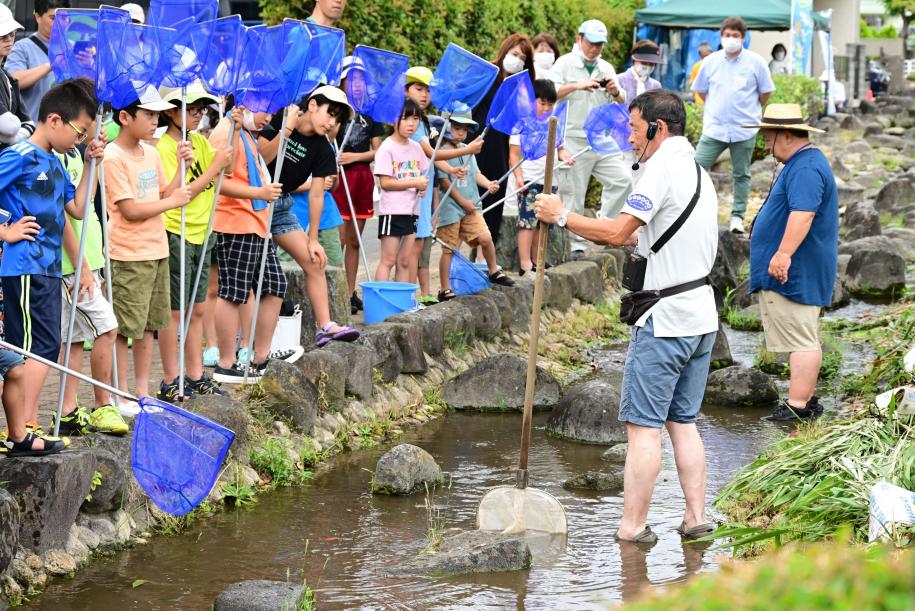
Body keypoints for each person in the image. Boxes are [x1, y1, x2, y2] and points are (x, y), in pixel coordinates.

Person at [535, 89, 719, 544]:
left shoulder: (660, 172)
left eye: (635, 129)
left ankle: (632, 528)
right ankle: (696, 519)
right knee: (684, 422)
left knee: (643, 431)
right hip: (701, 317)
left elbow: (619, 232)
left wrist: (562, 217)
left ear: (658, 127)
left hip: (664, 319)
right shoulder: (700, 172)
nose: (630, 139)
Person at [0, 80, 105, 445]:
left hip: (48, 268)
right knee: (29, 347)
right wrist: (5, 231)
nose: (79, 140)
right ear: (55, 120)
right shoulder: (19, 156)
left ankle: (24, 426)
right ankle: (20, 432)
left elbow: (76, 208)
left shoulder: (57, 163)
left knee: (45, 346)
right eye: (79, 132)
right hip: (24, 266)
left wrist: (90, 163)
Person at [743, 104, 838, 421]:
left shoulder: (806, 168)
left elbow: (803, 214)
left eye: (768, 137)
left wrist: (782, 254)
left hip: (796, 271)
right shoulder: (803, 163)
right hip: (800, 268)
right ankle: (802, 402)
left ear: (785, 135)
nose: (766, 145)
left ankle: (798, 407)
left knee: (801, 339)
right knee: (803, 336)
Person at [104, 88, 193, 402]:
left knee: (148, 327)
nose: (155, 121)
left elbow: (162, 192)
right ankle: (120, 392)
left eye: (158, 115)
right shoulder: (113, 157)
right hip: (128, 253)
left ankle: (142, 390)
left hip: (157, 249)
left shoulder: (151, 153)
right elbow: (129, 210)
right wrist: (171, 202)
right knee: (123, 328)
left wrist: (183, 167)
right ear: (125, 117)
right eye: (149, 114)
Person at [258, 86, 360, 349]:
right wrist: (286, 131)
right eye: (330, 114)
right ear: (312, 105)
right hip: (253, 200)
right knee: (251, 274)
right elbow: (260, 156)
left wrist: (313, 238)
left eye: (338, 119)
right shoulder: (281, 117)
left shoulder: (323, 149)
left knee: (314, 261)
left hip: (281, 204)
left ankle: (325, 326)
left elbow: (317, 195)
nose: (332, 123)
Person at [154, 83, 233, 403]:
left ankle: (196, 375)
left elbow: (224, 165)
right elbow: (182, 192)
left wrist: (234, 128)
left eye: (202, 109)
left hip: (203, 230)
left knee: (198, 309)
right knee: (176, 311)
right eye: (192, 108)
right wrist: (214, 167)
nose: (199, 114)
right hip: (177, 231)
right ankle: (171, 378)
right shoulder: (163, 147)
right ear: (171, 112)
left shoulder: (199, 141)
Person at [57, 81, 127, 434]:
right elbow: (64, 218)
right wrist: (83, 266)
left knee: (75, 338)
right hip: (72, 265)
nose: (94, 129)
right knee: (107, 327)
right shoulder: (55, 156)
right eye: (86, 125)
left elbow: (87, 206)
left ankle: (67, 409)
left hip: (89, 258)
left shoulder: (73, 153)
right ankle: (103, 404)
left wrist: (91, 163)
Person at [208, 104, 284, 383]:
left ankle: (260, 357)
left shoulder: (248, 133)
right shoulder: (225, 132)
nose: (268, 118)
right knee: (232, 292)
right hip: (235, 222)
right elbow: (216, 181)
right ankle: (226, 362)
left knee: (275, 286)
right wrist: (259, 192)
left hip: (258, 222)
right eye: (264, 110)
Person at [547, 19, 630, 258]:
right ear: (579, 39)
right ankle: (576, 245)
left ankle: (607, 229)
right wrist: (577, 86)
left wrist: (615, 90)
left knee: (623, 180)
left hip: (601, 139)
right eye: (591, 43)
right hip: (571, 138)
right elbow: (549, 92)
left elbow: (622, 99)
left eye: (599, 44)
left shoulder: (606, 67)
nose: (595, 49)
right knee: (574, 192)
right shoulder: (564, 63)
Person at [404, 67, 483, 300]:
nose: (424, 95)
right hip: (412, 190)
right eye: (418, 88)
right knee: (411, 247)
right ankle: (408, 297)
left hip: (426, 189)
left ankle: (416, 296)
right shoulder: (412, 121)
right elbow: (431, 152)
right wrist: (467, 149)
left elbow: (433, 159)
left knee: (419, 245)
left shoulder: (425, 122)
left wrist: (450, 169)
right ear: (406, 90)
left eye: (428, 90)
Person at [691, 16, 774, 234]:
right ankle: (690, 213)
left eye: (735, 36)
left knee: (741, 174)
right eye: (727, 35)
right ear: (721, 37)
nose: (731, 39)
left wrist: (749, 109)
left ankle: (737, 217)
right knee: (695, 169)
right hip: (715, 127)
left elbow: (766, 92)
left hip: (744, 128)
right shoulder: (710, 62)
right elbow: (700, 90)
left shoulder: (756, 62)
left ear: (743, 38)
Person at [434, 109, 514, 301]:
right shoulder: (442, 153)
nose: (460, 133)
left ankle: (493, 270)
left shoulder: (467, 149)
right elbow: (445, 183)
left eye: (464, 129)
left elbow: (475, 173)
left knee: (486, 238)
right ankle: (444, 288)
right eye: (456, 128)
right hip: (452, 209)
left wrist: (488, 184)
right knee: (449, 249)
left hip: (472, 207)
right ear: (446, 127)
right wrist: (462, 202)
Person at [472, 34, 534, 250]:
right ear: (505, 50)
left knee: (492, 204)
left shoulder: (519, 88)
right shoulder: (487, 73)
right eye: (514, 54)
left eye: (522, 58)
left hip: (499, 150)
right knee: (467, 203)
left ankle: (484, 257)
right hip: (474, 144)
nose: (517, 59)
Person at [333, 56, 384, 314]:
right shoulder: (335, 110)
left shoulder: (371, 112)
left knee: (354, 241)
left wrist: (355, 157)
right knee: (338, 238)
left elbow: (377, 150)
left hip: (361, 178)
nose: (356, 85)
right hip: (338, 178)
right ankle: (335, 293)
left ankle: (351, 293)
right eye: (351, 79)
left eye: (361, 79)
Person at [509, 78, 572, 275]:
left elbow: (560, 149)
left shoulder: (555, 123)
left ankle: (538, 260)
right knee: (527, 222)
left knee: (542, 222)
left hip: (550, 181)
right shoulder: (522, 124)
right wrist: (518, 177)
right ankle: (525, 263)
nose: (546, 108)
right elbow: (513, 154)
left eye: (550, 104)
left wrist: (566, 157)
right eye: (542, 102)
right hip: (528, 179)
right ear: (532, 101)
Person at [373, 98, 429, 282]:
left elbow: (423, 176)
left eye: (415, 118)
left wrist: (422, 187)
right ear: (392, 121)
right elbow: (386, 183)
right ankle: (380, 302)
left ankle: (402, 304)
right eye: (405, 118)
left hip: (412, 211)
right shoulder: (387, 147)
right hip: (392, 211)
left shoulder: (416, 148)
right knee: (388, 260)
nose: (411, 124)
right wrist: (415, 182)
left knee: (404, 261)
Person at [7, 0, 69, 123]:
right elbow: (12, 81)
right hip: (34, 131)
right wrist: (50, 65)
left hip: (66, 132)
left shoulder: (71, 48)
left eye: (64, 18)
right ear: (38, 17)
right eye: (53, 18)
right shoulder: (22, 47)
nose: (59, 23)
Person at [0, 5, 34, 149]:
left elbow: (29, 124)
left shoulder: (8, 77)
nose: (9, 40)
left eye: (12, 34)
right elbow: (10, 125)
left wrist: (11, 139)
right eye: (2, 36)